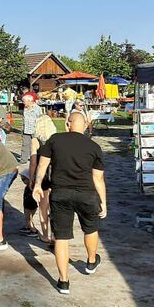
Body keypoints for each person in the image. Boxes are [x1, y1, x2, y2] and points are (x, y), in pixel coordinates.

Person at [32, 113, 107, 295]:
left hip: (61, 194)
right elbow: (98, 179)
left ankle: (64, 281)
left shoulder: (55, 140)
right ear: (86, 125)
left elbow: (42, 165)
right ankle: (90, 261)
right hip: (87, 194)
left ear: (68, 124)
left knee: (62, 238)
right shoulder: (94, 146)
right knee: (90, 229)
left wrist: (37, 185)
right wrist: (103, 202)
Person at [29, 114, 57, 244]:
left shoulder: (35, 141)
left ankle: (45, 235)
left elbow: (33, 163)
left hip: (43, 175)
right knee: (55, 207)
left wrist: (31, 179)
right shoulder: (56, 139)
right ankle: (54, 235)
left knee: (43, 207)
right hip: (55, 174)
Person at [21, 94, 44, 164]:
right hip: (26, 129)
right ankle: (23, 160)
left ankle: (37, 159)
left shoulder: (37, 108)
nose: (23, 102)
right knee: (25, 145)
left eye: (24, 101)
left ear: (29, 101)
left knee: (36, 145)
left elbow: (41, 119)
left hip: (35, 130)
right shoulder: (25, 108)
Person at [18, 170, 39, 237]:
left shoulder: (32, 187)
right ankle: (28, 227)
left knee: (28, 219)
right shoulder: (28, 186)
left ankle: (34, 230)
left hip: (31, 206)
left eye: (23, 179)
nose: (22, 180)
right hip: (27, 205)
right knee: (28, 218)